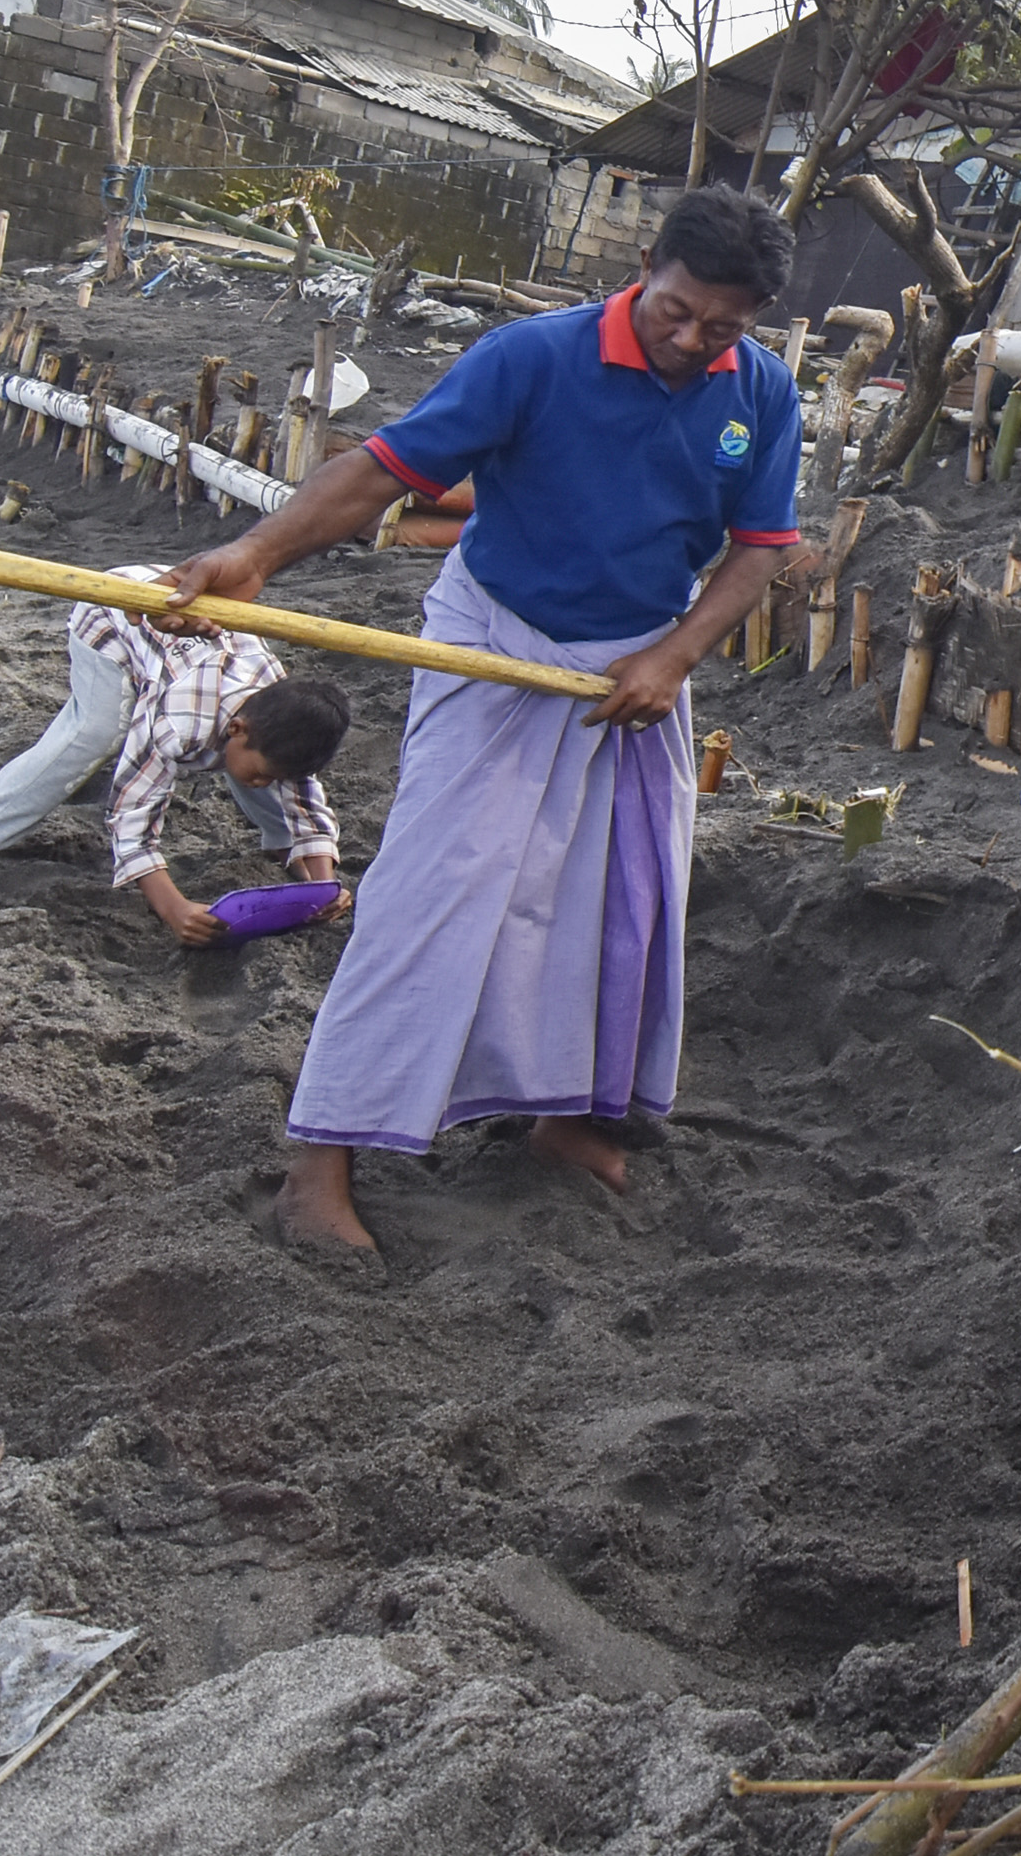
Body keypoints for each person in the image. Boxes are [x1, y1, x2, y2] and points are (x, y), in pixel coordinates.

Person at [154, 184, 819, 1252]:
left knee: (617, 902)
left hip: (638, 670)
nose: (693, 340)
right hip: (496, 640)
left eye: (722, 327)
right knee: (433, 893)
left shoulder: (765, 393)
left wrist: (672, 655)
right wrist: (253, 555)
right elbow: (385, 472)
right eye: (674, 312)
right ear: (643, 267)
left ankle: (567, 1120)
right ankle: (317, 1160)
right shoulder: (534, 357)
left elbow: (760, 551)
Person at [0, 572, 352, 943]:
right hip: (116, 615)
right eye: (260, 777)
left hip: (191, 649)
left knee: (268, 769)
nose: (262, 784)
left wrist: (324, 884)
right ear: (236, 729)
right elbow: (132, 813)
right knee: (90, 739)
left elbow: (301, 791)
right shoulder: (178, 725)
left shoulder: (280, 714)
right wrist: (174, 909)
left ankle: (286, 849)